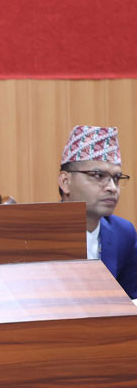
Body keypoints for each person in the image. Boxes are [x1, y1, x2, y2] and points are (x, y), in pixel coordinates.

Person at [58, 124, 137, 297]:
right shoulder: (37, 232)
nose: (112, 188)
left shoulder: (124, 233)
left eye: (116, 178)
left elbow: (132, 301)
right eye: (98, 176)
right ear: (65, 182)